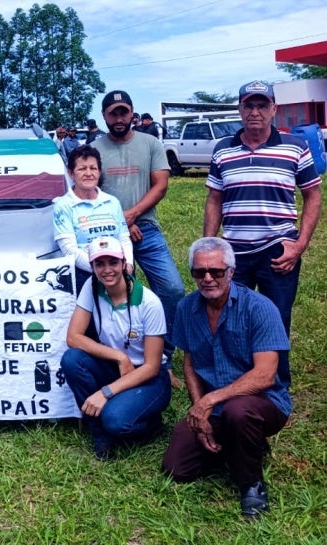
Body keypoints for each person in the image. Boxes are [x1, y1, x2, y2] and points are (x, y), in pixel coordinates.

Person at [162, 237, 292, 518]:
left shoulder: (259, 307)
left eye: (217, 271)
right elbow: (190, 362)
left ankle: (251, 485)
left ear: (231, 272)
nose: (208, 278)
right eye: (200, 272)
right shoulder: (186, 308)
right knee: (177, 467)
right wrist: (199, 410)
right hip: (215, 407)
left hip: (262, 402)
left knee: (239, 410)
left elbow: (266, 374)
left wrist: (211, 399)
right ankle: (242, 443)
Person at [204, 80, 322, 387]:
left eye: (261, 105)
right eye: (248, 105)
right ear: (239, 110)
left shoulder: (295, 147)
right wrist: (209, 245)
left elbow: (313, 196)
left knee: (276, 318)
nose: (254, 112)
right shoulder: (223, 150)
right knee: (229, 318)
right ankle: (235, 381)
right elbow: (214, 199)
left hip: (278, 251)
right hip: (234, 254)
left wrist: (299, 245)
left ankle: (277, 385)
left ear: (274, 109)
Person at [92, 90, 185, 387]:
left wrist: (132, 215)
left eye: (123, 112)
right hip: (106, 233)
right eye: (113, 113)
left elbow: (160, 185)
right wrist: (120, 222)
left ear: (132, 113)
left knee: (171, 289)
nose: (119, 119)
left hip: (146, 228)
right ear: (104, 116)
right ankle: (115, 359)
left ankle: (162, 360)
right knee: (107, 296)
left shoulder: (150, 143)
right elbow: (90, 190)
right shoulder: (94, 148)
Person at [60, 237, 171, 460]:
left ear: (124, 264)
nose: (107, 270)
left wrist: (106, 392)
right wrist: (119, 356)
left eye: (113, 262)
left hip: (148, 378)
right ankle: (98, 431)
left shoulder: (149, 303)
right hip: (115, 367)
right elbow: (73, 337)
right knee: (72, 360)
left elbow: (152, 366)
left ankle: (151, 425)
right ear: (92, 267)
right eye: (99, 264)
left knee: (117, 422)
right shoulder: (91, 288)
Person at [52, 144, 133, 292]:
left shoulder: (112, 202)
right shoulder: (62, 206)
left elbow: (124, 240)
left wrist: (127, 267)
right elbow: (69, 249)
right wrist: (103, 271)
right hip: (85, 274)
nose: (88, 173)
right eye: (82, 169)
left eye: (93, 168)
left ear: (99, 172)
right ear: (71, 173)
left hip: (118, 271)